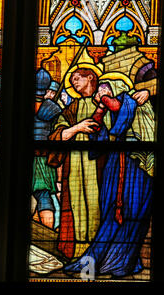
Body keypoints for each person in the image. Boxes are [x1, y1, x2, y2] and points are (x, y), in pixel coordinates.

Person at [64, 73, 153, 277]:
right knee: (110, 210)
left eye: (105, 87)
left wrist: (104, 100)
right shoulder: (113, 103)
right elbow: (100, 130)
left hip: (137, 164)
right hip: (117, 163)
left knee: (132, 213)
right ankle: (97, 262)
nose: (101, 91)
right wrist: (100, 108)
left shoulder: (131, 101)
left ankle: (123, 263)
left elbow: (122, 113)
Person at [48, 65, 105, 259]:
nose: (74, 82)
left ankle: (98, 251)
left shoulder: (107, 102)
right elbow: (58, 134)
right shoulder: (72, 107)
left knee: (98, 203)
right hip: (74, 165)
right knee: (76, 204)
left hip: (100, 165)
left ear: (90, 78)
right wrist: (77, 128)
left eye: (77, 78)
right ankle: (80, 253)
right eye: (72, 80)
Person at [32, 69, 62, 229]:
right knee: (43, 197)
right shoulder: (53, 108)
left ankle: (42, 235)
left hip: (25, 158)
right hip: (44, 159)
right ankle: (46, 232)